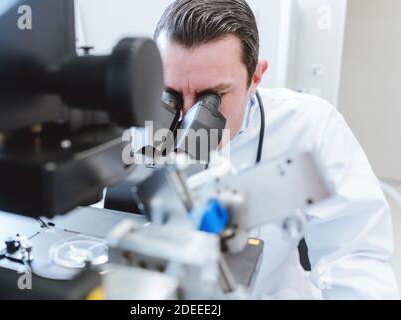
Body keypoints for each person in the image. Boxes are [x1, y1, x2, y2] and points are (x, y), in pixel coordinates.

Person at [153, 0, 399, 299]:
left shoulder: (309, 125)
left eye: (212, 96)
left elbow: (355, 258)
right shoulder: (139, 125)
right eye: (173, 94)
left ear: (255, 77)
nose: (189, 117)